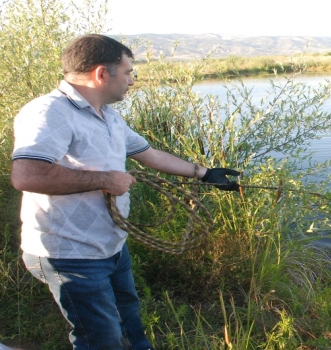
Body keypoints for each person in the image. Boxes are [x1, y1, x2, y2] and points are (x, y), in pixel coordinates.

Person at [10, 34, 239, 349]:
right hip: (71, 253)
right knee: (100, 338)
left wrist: (204, 173)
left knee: (129, 322)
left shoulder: (107, 115)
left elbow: (149, 154)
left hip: (110, 246)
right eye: (128, 72)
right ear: (102, 74)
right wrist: (106, 179)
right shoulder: (49, 113)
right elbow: (27, 175)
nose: (132, 80)